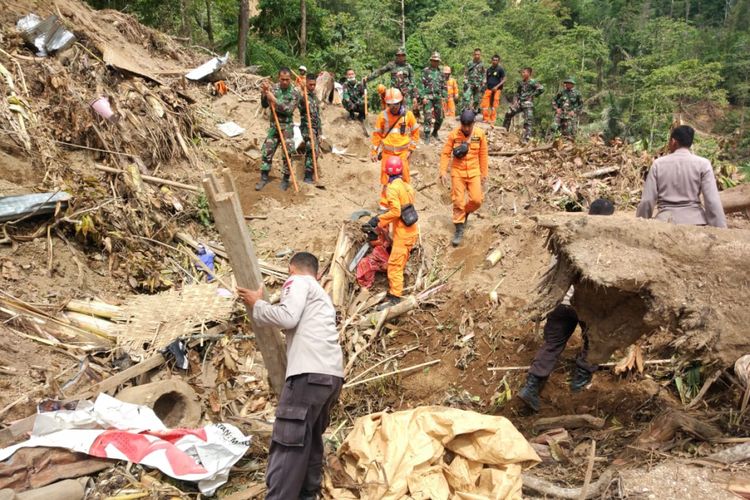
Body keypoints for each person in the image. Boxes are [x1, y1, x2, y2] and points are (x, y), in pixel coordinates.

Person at [237, 252, 344, 500]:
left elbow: (288, 317)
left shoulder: (297, 282)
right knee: (310, 441)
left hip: (308, 376)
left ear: (291, 269)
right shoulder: (321, 296)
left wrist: (257, 304)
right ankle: (308, 495)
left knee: (288, 442)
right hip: (330, 378)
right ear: (317, 273)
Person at [517, 199, 615, 412]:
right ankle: (580, 386)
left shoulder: (568, 238)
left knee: (552, 344)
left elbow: (554, 272)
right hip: (589, 306)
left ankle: (531, 387)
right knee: (594, 342)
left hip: (562, 302)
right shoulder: (607, 245)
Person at [636, 125, 727, 228]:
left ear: (673, 141)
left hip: (665, 223)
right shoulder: (703, 164)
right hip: (696, 223)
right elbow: (712, 200)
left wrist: (640, 224)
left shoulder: (658, 164)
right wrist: (721, 229)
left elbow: (647, 200)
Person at [364, 156, 419, 309]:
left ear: (387, 172)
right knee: (398, 263)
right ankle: (395, 290)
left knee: (394, 265)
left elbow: (395, 211)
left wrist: (378, 220)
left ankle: (396, 296)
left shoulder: (392, 188)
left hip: (403, 235)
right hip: (411, 231)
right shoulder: (406, 186)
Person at [439, 110, 489, 247]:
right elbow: (445, 153)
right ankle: (459, 229)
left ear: (473, 123)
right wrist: (443, 171)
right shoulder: (453, 135)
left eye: (469, 125)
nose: (466, 128)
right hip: (458, 172)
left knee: (477, 200)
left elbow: (483, 155)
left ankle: (465, 212)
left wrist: (484, 173)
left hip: (474, 172)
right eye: (464, 125)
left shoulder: (479, 135)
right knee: (458, 200)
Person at [371, 88, 420, 209]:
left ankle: (406, 204)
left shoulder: (408, 115)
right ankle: (385, 204)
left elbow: (415, 132)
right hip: (387, 153)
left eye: (396, 104)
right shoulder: (382, 116)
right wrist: (374, 151)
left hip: (403, 153)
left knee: (404, 178)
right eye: (390, 105)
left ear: (401, 102)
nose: (393, 107)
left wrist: (411, 149)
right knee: (386, 180)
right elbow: (377, 134)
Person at [258, 68, 301, 191]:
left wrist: (274, 99)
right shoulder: (274, 88)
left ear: (290, 79)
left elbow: (288, 110)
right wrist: (264, 93)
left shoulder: (295, 93)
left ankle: (285, 179)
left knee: (287, 153)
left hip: (286, 127)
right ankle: (264, 178)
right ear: (279, 78)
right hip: (274, 127)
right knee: (267, 151)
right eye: (282, 79)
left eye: (287, 80)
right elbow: (265, 105)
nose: (285, 82)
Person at [502, 67, 544, 143]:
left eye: (524, 72)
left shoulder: (533, 82)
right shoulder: (521, 82)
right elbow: (517, 93)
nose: (523, 74)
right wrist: (515, 101)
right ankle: (504, 131)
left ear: (529, 73)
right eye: (522, 72)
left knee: (528, 121)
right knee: (508, 113)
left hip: (528, 104)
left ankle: (527, 139)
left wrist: (532, 96)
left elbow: (541, 89)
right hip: (520, 103)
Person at [298, 74, 322, 184]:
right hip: (307, 128)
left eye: (314, 85)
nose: (312, 86)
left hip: (315, 129)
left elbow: (318, 116)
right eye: (310, 84)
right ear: (306, 83)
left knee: (315, 151)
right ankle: (307, 176)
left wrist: (320, 133)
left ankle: (311, 173)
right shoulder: (303, 97)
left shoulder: (314, 98)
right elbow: (300, 106)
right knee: (311, 148)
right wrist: (303, 95)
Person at [419, 52, 447, 143]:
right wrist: (422, 97)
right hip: (428, 97)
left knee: (440, 117)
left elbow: (444, 86)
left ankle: (435, 132)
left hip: (438, 97)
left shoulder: (441, 73)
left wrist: (444, 97)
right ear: (431, 61)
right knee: (428, 116)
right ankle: (427, 134)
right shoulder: (425, 71)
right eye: (434, 60)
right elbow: (421, 85)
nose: (435, 62)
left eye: (437, 61)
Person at [480, 55, 505, 124]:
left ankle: (492, 120)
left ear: (498, 61)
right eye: (493, 60)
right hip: (489, 89)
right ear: (491, 60)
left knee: (494, 105)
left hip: (497, 90)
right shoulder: (489, 69)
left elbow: (504, 79)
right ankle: (485, 118)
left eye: (496, 60)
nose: (495, 61)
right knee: (484, 104)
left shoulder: (500, 69)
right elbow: (487, 79)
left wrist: (497, 86)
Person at [463, 48, 485, 114]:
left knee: (476, 100)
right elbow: (465, 72)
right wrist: (465, 80)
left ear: (480, 55)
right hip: (470, 84)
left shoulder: (482, 64)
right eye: (475, 54)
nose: (477, 56)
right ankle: (465, 112)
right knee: (466, 97)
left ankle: (474, 112)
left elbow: (483, 73)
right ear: (473, 54)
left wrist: (483, 81)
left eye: (478, 54)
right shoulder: (469, 63)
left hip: (478, 84)